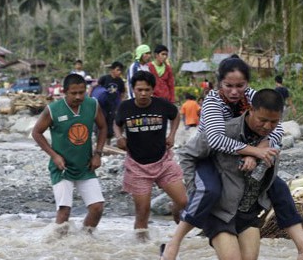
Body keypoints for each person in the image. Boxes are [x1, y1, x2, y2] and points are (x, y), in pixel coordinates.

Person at [159, 56, 303, 260]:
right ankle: (173, 244)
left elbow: (275, 127)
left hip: (238, 157)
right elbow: (215, 140)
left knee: (280, 189)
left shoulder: (253, 97)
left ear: (247, 83)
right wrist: (254, 151)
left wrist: (261, 147)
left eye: (240, 86)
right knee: (210, 191)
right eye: (229, 86)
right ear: (219, 84)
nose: (235, 92)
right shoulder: (212, 101)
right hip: (208, 157)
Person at [179, 89, 284, 260]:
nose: (267, 126)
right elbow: (187, 154)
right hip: (219, 209)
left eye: (273, 122)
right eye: (262, 120)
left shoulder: (272, 137)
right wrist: (194, 189)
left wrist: (259, 149)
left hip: (246, 209)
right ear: (250, 110)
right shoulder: (222, 131)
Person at [113, 70, 188, 244]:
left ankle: (177, 222)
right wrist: (119, 137)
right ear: (133, 89)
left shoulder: (162, 105)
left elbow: (175, 115)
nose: (143, 93)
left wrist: (172, 135)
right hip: (137, 166)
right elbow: (117, 124)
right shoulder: (125, 107)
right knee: (143, 211)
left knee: (183, 201)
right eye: (139, 89)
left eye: (147, 89)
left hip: (163, 162)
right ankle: (141, 247)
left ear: (152, 90)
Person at [31, 73, 107, 235]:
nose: (79, 96)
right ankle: (57, 248)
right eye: (74, 93)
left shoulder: (93, 104)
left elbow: (103, 127)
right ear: (64, 91)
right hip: (62, 168)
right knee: (64, 211)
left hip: (85, 165)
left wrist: (98, 153)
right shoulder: (53, 110)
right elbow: (37, 133)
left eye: (82, 92)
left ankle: (84, 240)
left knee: (97, 207)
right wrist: (54, 155)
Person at [93, 61, 126, 142]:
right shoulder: (105, 78)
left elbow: (122, 93)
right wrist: (90, 97)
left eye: (120, 70)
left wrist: (120, 104)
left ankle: (108, 143)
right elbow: (94, 86)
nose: (119, 72)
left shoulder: (120, 81)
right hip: (103, 105)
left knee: (110, 123)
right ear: (112, 70)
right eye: (118, 70)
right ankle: (98, 141)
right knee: (101, 122)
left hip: (113, 106)